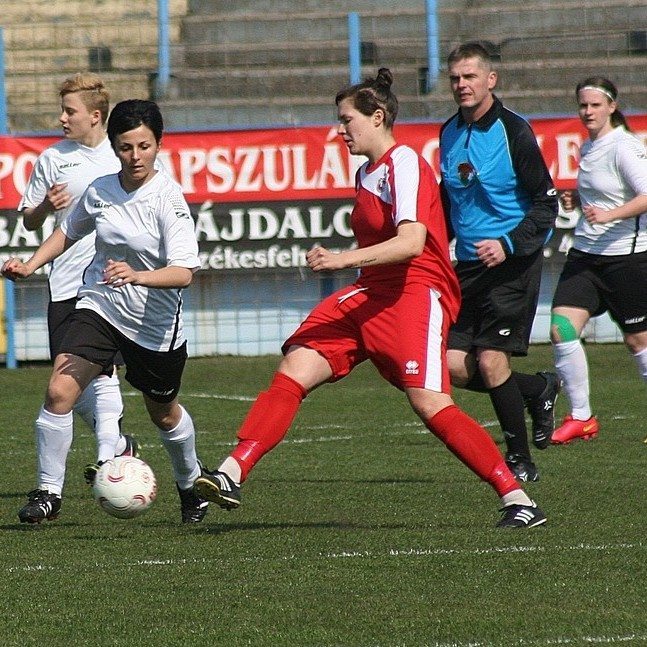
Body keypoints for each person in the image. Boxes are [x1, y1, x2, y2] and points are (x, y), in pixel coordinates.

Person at [194, 68, 546, 529]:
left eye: (347, 120)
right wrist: (353, 266)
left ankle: (517, 498)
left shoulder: (404, 164)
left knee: (431, 404)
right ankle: (230, 473)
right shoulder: (367, 172)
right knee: (295, 366)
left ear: (377, 117)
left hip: (415, 293)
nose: (339, 131)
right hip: (372, 293)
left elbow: (411, 243)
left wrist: (342, 260)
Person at [2, 99, 208, 524]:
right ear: (113, 146)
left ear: (158, 145)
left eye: (145, 146)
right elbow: (67, 232)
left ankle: (190, 484)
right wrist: (31, 264)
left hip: (154, 325)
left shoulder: (168, 200)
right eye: (126, 147)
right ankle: (47, 492)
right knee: (60, 389)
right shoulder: (100, 190)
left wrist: (138, 275)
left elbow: (184, 272)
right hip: (101, 305)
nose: (136, 157)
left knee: (163, 411)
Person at [439, 42, 560, 483]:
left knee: (490, 359)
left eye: (470, 76)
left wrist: (509, 243)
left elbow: (546, 205)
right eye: (455, 78)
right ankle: (535, 388)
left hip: (512, 263)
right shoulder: (448, 132)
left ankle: (519, 460)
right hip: (468, 266)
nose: (461, 85)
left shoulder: (514, 132)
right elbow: (450, 202)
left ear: (491, 80)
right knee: (451, 364)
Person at [17, 72, 138, 505]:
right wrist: (46, 206)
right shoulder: (52, 158)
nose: (62, 118)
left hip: (109, 285)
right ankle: (117, 446)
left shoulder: (124, 155)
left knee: (92, 374)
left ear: (95, 115)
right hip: (64, 281)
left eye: (69, 111)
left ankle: (85, 468)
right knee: (78, 380)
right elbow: (29, 219)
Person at [549, 77, 647, 444]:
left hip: (627, 258)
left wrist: (611, 215)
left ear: (611, 106)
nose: (587, 112)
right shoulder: (590, 147)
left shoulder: (624, 146)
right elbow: (603, 192)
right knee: (561, 327)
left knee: (638, 342)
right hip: (587, 255)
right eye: (582, 106)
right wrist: (576, 198)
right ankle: (581, 416)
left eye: (594, 105)